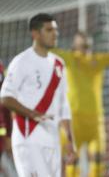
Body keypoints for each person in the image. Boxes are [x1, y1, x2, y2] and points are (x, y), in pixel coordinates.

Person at [52, 31, 109, 176]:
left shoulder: (97, 60)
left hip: (96, 121)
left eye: (87, 43)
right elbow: (51, 50)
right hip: (74, 120)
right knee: (72, 160)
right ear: (74, 45)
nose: (85, 46)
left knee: (99, 159)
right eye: (82, 43)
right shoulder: (69, 59)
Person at [0, 13, 75, 176]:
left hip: (52, 139)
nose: (55, 34)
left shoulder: (59, 64)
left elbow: (63, 105)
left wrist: (70, 141)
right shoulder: (21, 61)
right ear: (35, 34)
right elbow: (5, 97)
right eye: (49, 30)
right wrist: (32, 114)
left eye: (55, 29)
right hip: (28, 137)